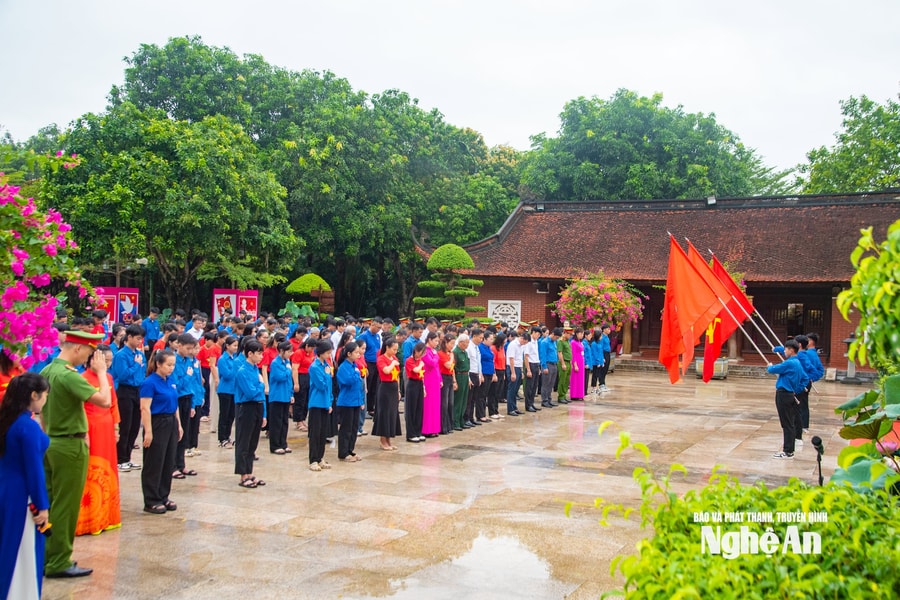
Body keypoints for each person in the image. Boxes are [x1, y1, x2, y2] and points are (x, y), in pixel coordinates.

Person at [40, 329, 109, 578]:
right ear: (77, 348)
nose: (89, 359)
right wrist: (101, 373)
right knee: (66, 505)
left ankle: (47, 555)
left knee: (50, 501)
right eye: (89, 353)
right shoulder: (70, 376)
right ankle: (59, 560)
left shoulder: (47, 370)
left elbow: (42, 414)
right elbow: (104, 400)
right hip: (69, 446)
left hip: (50, 443)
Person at [0, 372, 50, 599]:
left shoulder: (8, 419)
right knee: (23, 549)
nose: (45, 400)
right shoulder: (27, 426)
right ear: (34, 395)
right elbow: (34, 470)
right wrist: (42, 505)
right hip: (22, 496)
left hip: (5, 488)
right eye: (44, 396)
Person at [75, 345, 121, 536]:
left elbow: (113, 404)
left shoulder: (108, 378)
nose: (107, 364)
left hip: (106, 427)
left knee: (108, 469)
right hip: (90, 428)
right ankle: (89, 517)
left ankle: (108, 515)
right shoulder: (81, 379)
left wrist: (116, 427)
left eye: (109, 361)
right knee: (92, 470)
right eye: (104, 360)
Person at [139, 350, 181, 514]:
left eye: (173, 365)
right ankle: (151, 499)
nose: (171, 368)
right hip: (157, 422)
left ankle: (163, 495)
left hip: (170, 420)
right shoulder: (150, 383)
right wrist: (148, 431)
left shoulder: (170, 381)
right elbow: (145, 408)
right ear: (158, 364)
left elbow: (174, 403)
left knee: (168, 460)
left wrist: (178, 424)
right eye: (168, 365)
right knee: (154, 461)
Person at [111, 324, 146, 472]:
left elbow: (142, 372)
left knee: (135, 426)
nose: (139, 341)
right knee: (126, 425)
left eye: (141, 339)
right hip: (125, 391)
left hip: (137, 390)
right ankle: (120, 458)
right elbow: (122, 374)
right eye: (137, 338)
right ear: (129, 337)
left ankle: (128, 457)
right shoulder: (121, 355)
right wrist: (136, 366)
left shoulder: (139, 354)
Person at [234, 340, 267, 487]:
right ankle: (243, 474)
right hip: (247, 407)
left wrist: (264, 414)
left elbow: (260, 395)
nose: (261, 357)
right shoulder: (242, 371)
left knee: (253, 442)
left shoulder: (255, 369)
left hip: (258, 407)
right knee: (244, 442)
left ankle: (249, 471)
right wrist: (261, 385)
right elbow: (251, 392)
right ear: (250, 354)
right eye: (259, 353)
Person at [767, 340, 805, 459]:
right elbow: (803, 378)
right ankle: (789, 449)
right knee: (789, 423)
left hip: (784, 394)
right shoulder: (797, 363)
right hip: (790, 394)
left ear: (791, 350)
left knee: (787, 424)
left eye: (786, 349)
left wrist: (769, 366)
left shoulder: (790, 363)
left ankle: (788, 451)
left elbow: (772, 369)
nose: (784, 351)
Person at [308, 340, 334, 470]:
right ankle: (313, 460)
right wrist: (327, 374)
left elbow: (329, 385)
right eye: (328, 352)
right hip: (316, 402)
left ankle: (320, 457)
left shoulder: (326, 365)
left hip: (325, 402)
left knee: (323, 432)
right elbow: (321, 384)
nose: (329, 355)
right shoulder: (314, 367)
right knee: (315, 433)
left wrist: (330, 401)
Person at [336, 342, 365, 461]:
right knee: (346, 428)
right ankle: (343, 452)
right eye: (356, 352)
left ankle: (350, 450)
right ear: (348, 354)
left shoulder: (354, 365)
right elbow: (347, 381)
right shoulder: (343, 367)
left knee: (354, 427)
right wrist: (356, 374)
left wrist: (361, 400)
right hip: (346, 402)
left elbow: (359, 385)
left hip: (356, 401)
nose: (359, 355)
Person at [372, 338, 402, 450]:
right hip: (385, 388)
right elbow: (386, 371)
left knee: (392, 414)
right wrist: (393, 363)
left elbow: (397, 375)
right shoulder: (381, 359)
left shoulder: (394, 358)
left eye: (396, 350)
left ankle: (389, 440)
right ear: (387, 347)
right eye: (394, 349)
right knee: (384, 413)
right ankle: (383, 441)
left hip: (394, 388)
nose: (395, 352)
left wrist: (398, 390)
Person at [267, 341, 294, 454]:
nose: (290, 354)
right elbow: (280, 377)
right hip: (277, 396)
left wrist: (291, 394)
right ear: (282, 351)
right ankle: (275, 445)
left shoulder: (287, 362)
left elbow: (289, 381)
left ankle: (283, 443)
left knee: (284, 421)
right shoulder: (275, 363)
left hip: (286, 395)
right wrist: (288, 370)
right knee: (276, 421)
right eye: (288, 351)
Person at [215, 336, 239, 448]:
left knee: (231, 415)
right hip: (225, 390)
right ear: (227, 346)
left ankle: (228, 436)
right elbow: (227, 375)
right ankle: (222, 438)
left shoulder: (234, 358)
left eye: (236, 345)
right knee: (224, 414)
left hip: (234, 390)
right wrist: (235, 367)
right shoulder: (222, 359)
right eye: (234, 345)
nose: (236, 348)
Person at [290, 338, 316, 432]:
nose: (312, 350)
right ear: (306, 346)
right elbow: (294, 369)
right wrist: (296, 383)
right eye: (311, 348)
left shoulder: (311, 353)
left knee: (306, 400)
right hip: (300, 376)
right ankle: (298, 420)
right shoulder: (299, 353)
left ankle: (303, 419)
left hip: (308, 376)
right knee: (300, 399)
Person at [421, 332, 443, 437]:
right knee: (428, 405)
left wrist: (440, 379)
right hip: (428, 380)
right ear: (429, 340)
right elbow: (432, 363)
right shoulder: (425, 351)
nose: (437, 343)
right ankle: (427, 429)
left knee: (435, 405)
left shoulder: (434, 351)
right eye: (435, 341)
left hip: (435, 380)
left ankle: (434, 429)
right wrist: (436, 357)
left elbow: (437, 367)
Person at [405, 342, 427, 442]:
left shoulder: (420, 361)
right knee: (412, 409)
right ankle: (411, 433)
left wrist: (424, 388)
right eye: (422, 353)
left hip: (419, 384)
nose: (422, 355)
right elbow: (415, 370)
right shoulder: (409, 360)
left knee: (419, 409)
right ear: (416, 351)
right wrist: (421, 364)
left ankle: (418, 431)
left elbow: (422, 375)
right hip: (412, 384)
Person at [438, 334, 456, 434]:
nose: (452, 346)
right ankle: (443, 427)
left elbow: (452, 368)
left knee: (450, 403)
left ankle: (449, 425)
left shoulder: (450, 354)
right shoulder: (441, 353)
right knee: (444, 403)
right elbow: (448, 364)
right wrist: (451, 357)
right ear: (445, 343)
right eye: (451, 343)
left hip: (449, 377)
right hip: (443, 377)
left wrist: (454, 381)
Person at [540, 329, 560, 408]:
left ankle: (549, 399)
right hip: (548, 364)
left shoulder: (555, 342)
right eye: (556, 337)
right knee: (546, 384)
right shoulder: (544, 342)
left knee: (551, 383)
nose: (557, 339)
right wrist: (544, 366)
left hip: (554, 364)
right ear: (553, 334)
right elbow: (543, 355)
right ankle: (544, 400)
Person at [556, 327, 573, 403]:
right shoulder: (560, 341)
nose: (570, 336)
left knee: (567, 380)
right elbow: (560, 353)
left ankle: (564, 395)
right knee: (562, 380)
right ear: (565, 333)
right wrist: (562, 363)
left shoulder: (567, 341)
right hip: (564, 362)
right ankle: (561, 396)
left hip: (568, 362)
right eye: (569, 334)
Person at [570, 328, 586, 402]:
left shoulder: (580, 342)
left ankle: (580, 394)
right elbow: (573, 354)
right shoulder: (573, 342)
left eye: (583, 334)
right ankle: (574, 394)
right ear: (577, 334)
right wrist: (575, 364)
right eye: (581, 334)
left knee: (581, 379)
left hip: (581, 360)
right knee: (575, 378)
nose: (582, 335)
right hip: (577, 361)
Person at [597, 324, 613, 392]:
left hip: (607, 353)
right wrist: (601, 357)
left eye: (609, 329)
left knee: (606, 369)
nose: (609, 330)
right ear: (604, 330)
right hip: (603, 353)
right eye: (608, 329)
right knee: (602, 369)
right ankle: (601, 384)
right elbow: (600, 347)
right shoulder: (602, 337)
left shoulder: (607, 337)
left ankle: (603, 383)